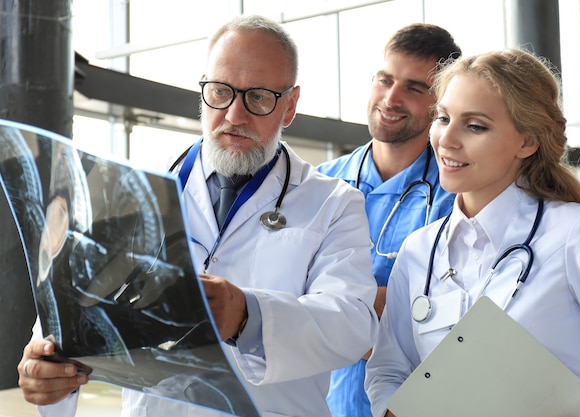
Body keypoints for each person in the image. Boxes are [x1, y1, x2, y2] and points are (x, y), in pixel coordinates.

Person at [18, 14, 379, 417]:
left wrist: (248, 315)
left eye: (258, 96)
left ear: (290, 106)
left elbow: (352, 324)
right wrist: (48, 372)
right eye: (221, 91)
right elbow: (68, 317)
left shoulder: (334, 203)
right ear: (203, 91)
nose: (235, 115)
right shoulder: (126, 192)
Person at [364, 48, 580, 417]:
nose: (446, 140)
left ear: (527, 141)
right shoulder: (419, 250)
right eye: (442, 118)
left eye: (475, 126)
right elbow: (388, 369)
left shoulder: (577, 235)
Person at [317, 23, 461, 417]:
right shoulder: (318, 184)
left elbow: (447, 325)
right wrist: (385, 309)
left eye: (414, 88)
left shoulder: (458, 194)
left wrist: (329, 312)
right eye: (385, 80)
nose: (391, 98)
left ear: (441, 103)